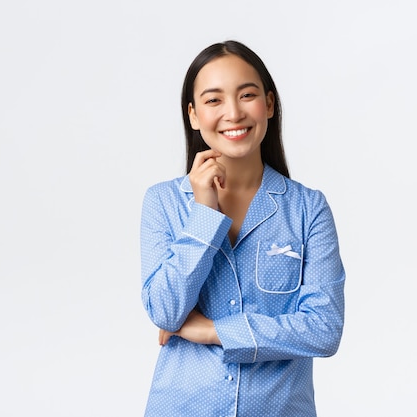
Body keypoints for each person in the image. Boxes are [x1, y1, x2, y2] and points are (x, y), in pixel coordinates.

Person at [139, 40, 346, 417]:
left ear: (268, 104)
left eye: (246, 95)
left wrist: (213, 330)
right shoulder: (164, 203)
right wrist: (204, 213)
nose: (233, 113)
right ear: (194, 115)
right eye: (214, 100)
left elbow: (323, 328)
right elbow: (165, 312)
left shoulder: (307, 209)